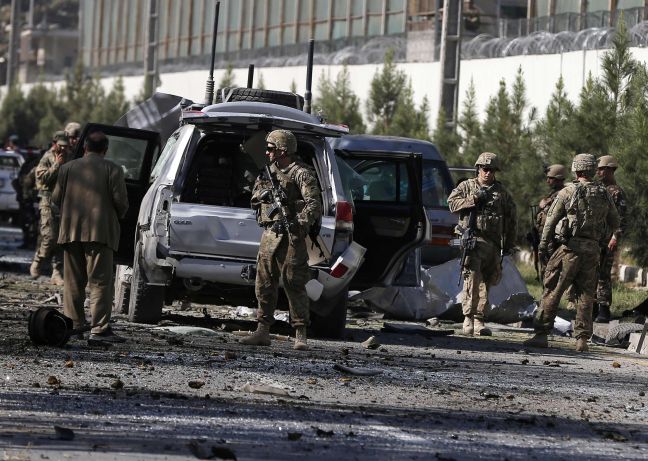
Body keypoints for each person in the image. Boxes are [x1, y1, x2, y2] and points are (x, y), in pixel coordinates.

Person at [524, 153, 619, 352]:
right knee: (586, 296)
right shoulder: (603, 193)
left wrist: (543, 246)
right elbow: (615, 222)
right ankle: (582, 340)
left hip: (569, 249)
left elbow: (550, 221)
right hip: (592, 250)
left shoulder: (567, 192)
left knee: (553, 290)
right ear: (592, 169)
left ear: (576, 169)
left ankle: (541, 334)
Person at [240, 129, 322, 351]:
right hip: (270, 235)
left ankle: (300, 333)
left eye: (270, 149)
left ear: (282, 150)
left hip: (292, 235)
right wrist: (261, 196)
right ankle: (262, 330)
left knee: (294, 281)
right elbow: (254, 197)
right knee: (264, 282)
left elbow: (314, 203)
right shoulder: (267, 172)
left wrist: (299, 222)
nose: (267, 153)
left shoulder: (301, 173)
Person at [52, 131, 129, 343]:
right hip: (99, 233)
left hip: (71, 232)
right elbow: (121, 202)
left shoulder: (67, 168)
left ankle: (73, 327)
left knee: (73, 283)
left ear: (85, 148)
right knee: (100, 283)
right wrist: (117, 216)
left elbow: (56, 198)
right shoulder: (113, 169)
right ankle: (99, 330)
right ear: (105, 150)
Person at [447, 152, 517, 337]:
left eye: (492, 170)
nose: (488, 173)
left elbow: (511, 220)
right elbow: (452, 204)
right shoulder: (466, 186)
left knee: (488, 282)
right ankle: (468, 318)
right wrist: (473, 199)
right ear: (478, 168)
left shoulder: (501, 193)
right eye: (485, 169)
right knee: (472, 280)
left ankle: (480, 319)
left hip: (493, 244)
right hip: (473, 242)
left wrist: (509, 244)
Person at [30, 131, 70, 285]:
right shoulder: (47, 157)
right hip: (47, 201)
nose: (63, 149)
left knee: (61, 239)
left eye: (65, 146)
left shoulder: (70, 157)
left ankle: (57, 272)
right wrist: (57, 164)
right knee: (50, 236)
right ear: (54, 143)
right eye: (61, 146)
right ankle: (37, 261)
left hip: (63, 202)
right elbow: (42, 179)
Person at [594, 155, 627, 323]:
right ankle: (592, 307)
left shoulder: (616, 192)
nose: (598, 172)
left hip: (607, 239)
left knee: (603, 274)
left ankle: (604, 309)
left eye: (601, 169)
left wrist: (615, 237)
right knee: (591, 272)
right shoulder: (598, 189)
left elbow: (620, 218)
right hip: (594, 238)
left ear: (609, 170)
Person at [534, 164, 567, 282]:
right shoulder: (552, 194)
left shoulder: (562, 194)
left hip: (553, 240)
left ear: (558, 179)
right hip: (546, 238)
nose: (547, 181)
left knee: (551, 270)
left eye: (550, 178)